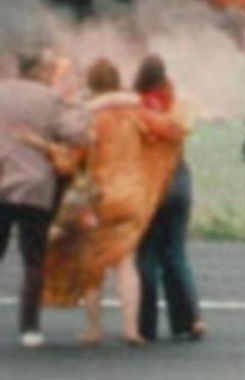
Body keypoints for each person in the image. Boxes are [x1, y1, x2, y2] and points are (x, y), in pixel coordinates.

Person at [31, 58, 185, 346]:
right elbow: (174, 131)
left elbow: (68, 161)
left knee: (94, 264)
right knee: (127, 263)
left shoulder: (89, 117)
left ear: (91, 84)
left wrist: (43, 147)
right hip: (134, 197)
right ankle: (130, 329)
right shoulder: (137, 112)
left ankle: (93, 329)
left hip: (99, 198)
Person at [0, 52, 88, 348]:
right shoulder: (50, 99)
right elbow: (76, 135)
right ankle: (29, 328)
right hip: (37, 188)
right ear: (39, 70)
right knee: (33, 260)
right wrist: (78, 106)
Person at [133, 55, 206, 342]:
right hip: (178, 183)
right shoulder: (178, 105)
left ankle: (145, 325)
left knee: (146, 255)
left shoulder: (134, 108)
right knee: (176, 254)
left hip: (148, 186)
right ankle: (189, 320)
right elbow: (184, 128)